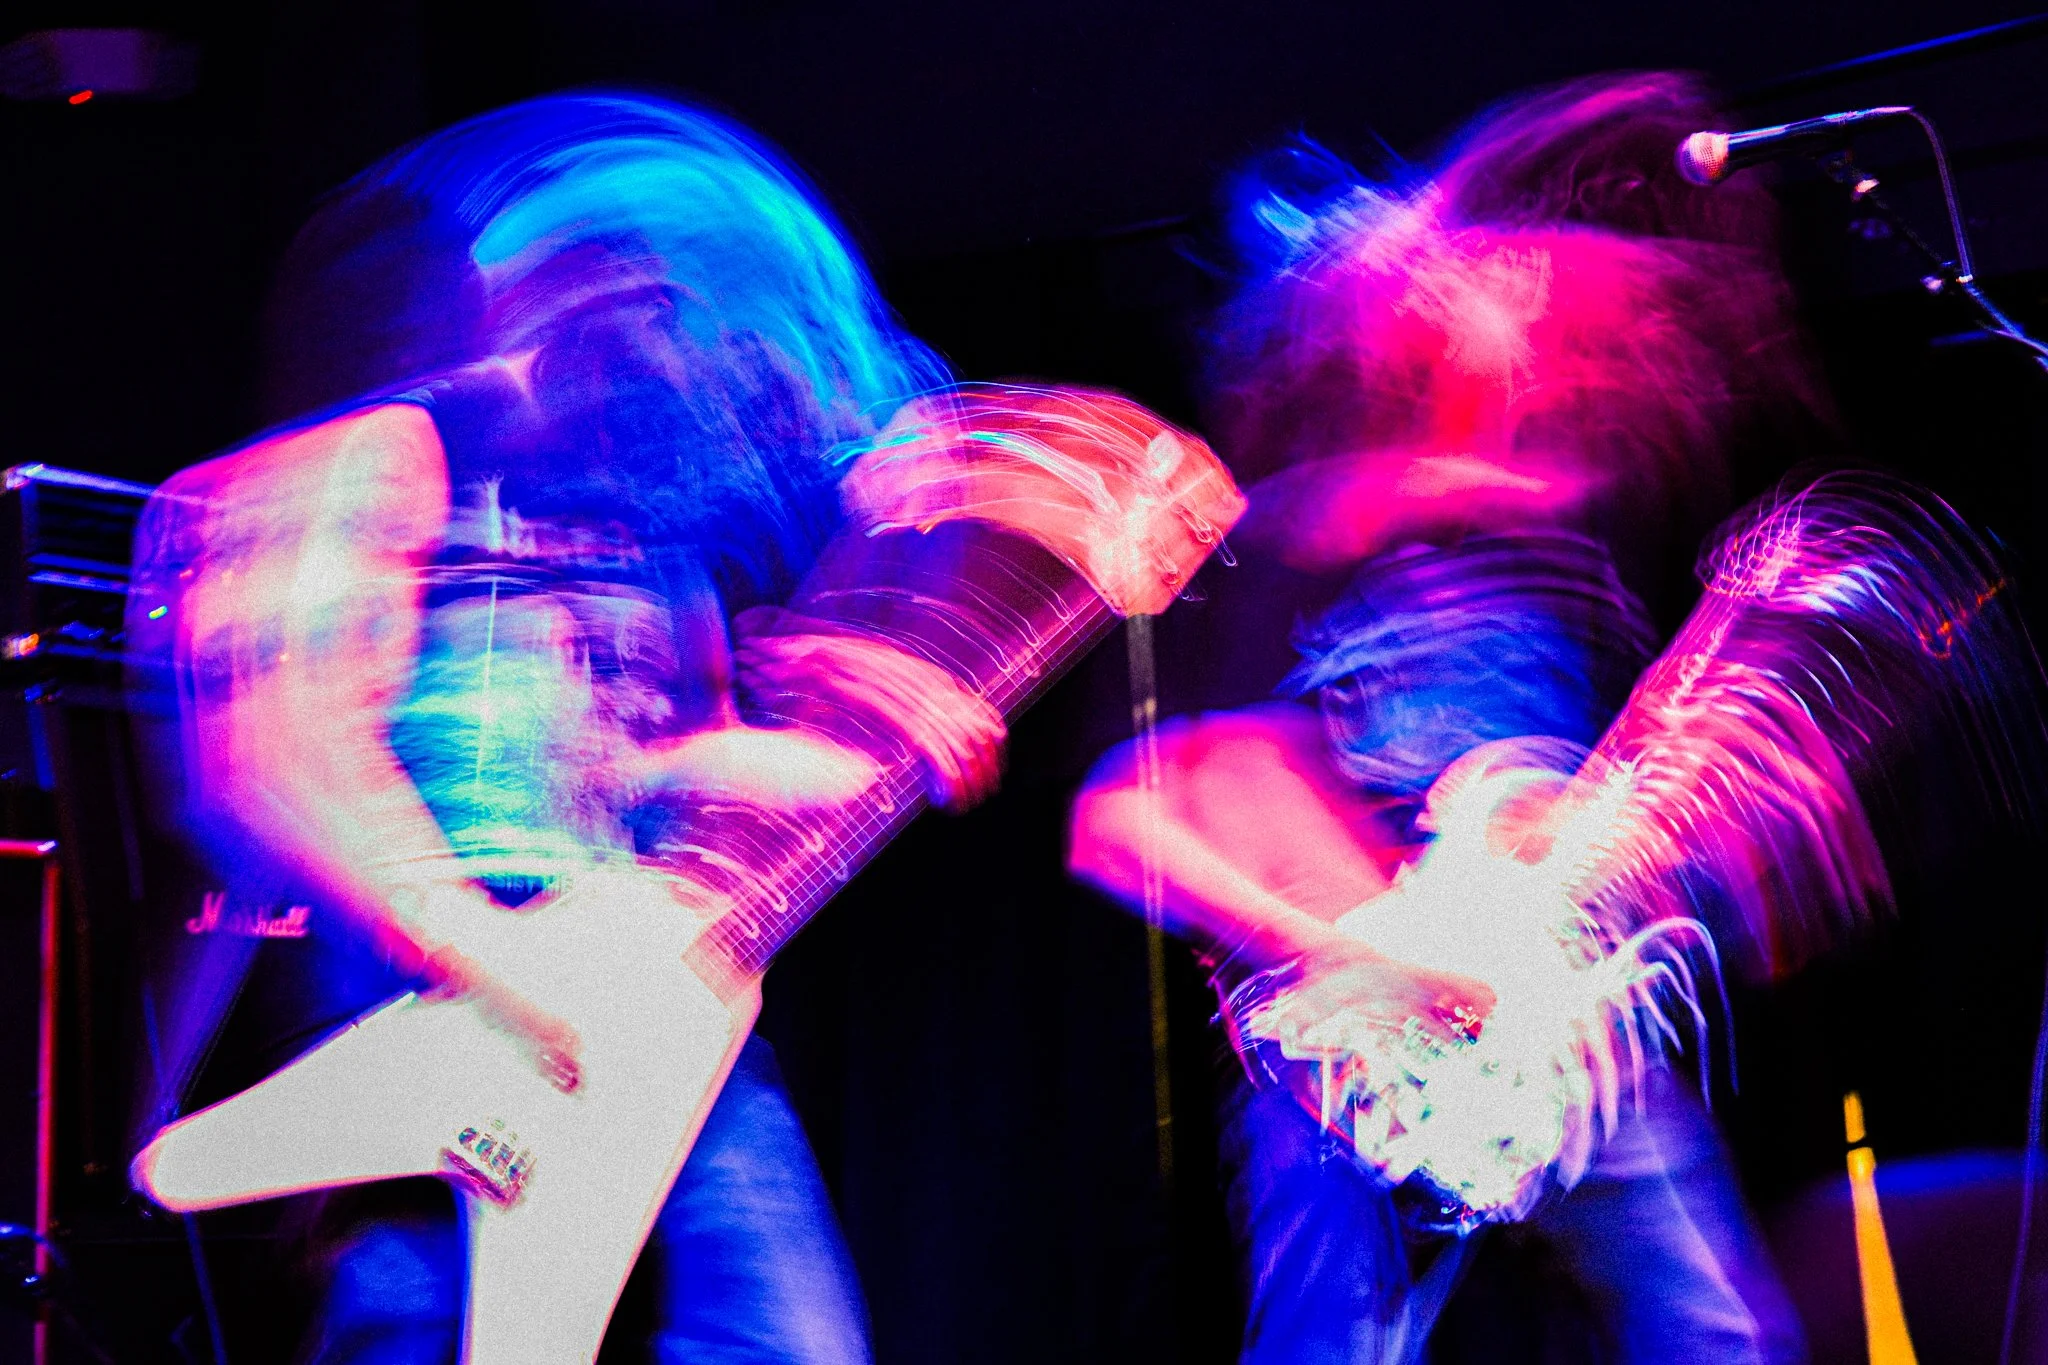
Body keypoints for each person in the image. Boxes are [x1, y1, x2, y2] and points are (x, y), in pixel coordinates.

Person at [128, 91, 1004, 1363]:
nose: (663, 337)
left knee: (785, 1341)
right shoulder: (379, 464)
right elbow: (280, 754)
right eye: (615, 297)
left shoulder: (642, 546)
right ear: (522, 302)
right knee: (433, 1327)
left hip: (632, 994)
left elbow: (663, 764)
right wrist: (484, 951)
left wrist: (866, 745)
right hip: (417, 993)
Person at [1069, 74, 1822, 1363]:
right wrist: (1359, 946)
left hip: (1551, 1021)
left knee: (1713, 1334)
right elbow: (1124, 816)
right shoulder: (1288, 540)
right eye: (1474, 285)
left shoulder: (1563, 543)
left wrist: (1724, 834)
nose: (1517, 309)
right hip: (1348, 1051)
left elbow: (1560, 813)